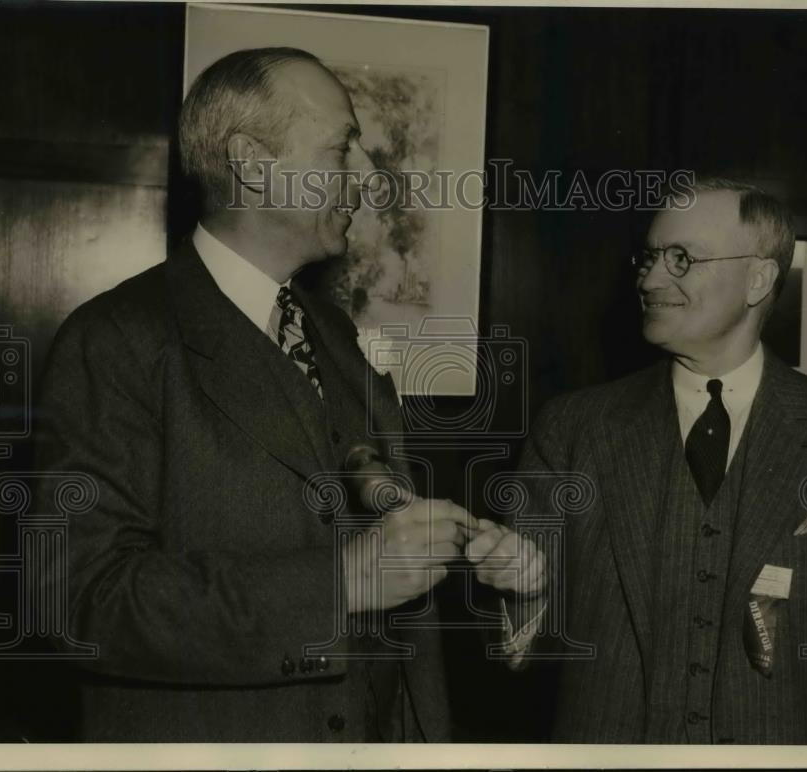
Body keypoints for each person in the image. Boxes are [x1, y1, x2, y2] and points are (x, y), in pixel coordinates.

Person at [33, 47, 482, 742]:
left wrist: (466, 542)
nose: (365, 175)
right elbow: (81, 603)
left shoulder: (330, 333)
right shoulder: (115, 341)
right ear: (250, 161)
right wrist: (342, 584)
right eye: (342, 148)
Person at [505, 178, 807, 743]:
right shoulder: (574, 428)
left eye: (681, 259)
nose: (649, 278)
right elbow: (525, 646)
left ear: (758, 279)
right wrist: (518, 590)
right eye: (648, 257)